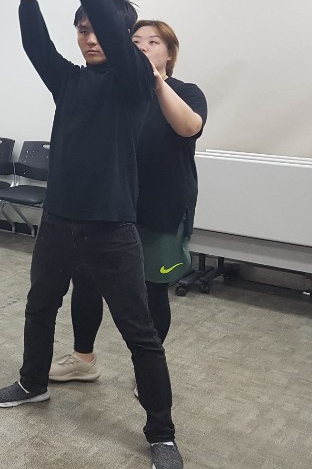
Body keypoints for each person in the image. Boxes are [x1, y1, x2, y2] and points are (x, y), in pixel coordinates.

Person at [0, 0, 185, 469]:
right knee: (39, 307)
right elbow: (36, 46)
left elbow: (120, 44)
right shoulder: (71, 82)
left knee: (140, 334)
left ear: (122, 40)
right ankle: (33, 383)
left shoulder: (135, 83)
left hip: (112, 228)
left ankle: (162, 433)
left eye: (98, 30)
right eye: (82, 30)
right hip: (59, 221)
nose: (89, 38)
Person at [50, 21, 207, 392]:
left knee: (151, 290)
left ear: (169, 53)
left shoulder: (186, 91)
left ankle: (148, 368)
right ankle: (83, 360)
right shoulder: (117, 89)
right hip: (111, 204)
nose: (143, 47)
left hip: (161, 207)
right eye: (134, 41)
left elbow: (189, 127)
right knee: (86, 280)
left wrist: (157, 82)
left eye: (153, 42)